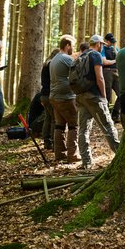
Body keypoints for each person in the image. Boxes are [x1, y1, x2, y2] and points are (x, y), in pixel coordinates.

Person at [76, 35, 120, 169]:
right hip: (94, 96)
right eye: (101, 44)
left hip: (80, 96)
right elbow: (100, 77)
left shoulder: (80, 56)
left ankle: (86, 162)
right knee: (107, 125)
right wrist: (104, 96)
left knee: (83, 129)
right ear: (99, 44)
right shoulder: (95, 55)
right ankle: (119, 154)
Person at [50, 35, 81, 163]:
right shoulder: (65, 58)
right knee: (74, 125)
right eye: (72, 46)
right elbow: (78, 70)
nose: (72, 49)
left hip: (55, 96)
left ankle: (60, 154)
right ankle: (73, 155)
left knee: (59, 125)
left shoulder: (55, 58)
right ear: (67, 45)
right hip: (66, 97)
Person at [102, 33, 121, 122]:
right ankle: (106, 117)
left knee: (121, 93)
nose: (111, 43)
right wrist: (114, 61)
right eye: (110, 41)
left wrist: (115, 49)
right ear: (106, 41)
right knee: (107, 95)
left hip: (116, 72)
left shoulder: (115, 48)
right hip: (107, 72)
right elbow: (104, 62)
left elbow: (120, 58)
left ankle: (115, 113)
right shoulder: (103, 49)